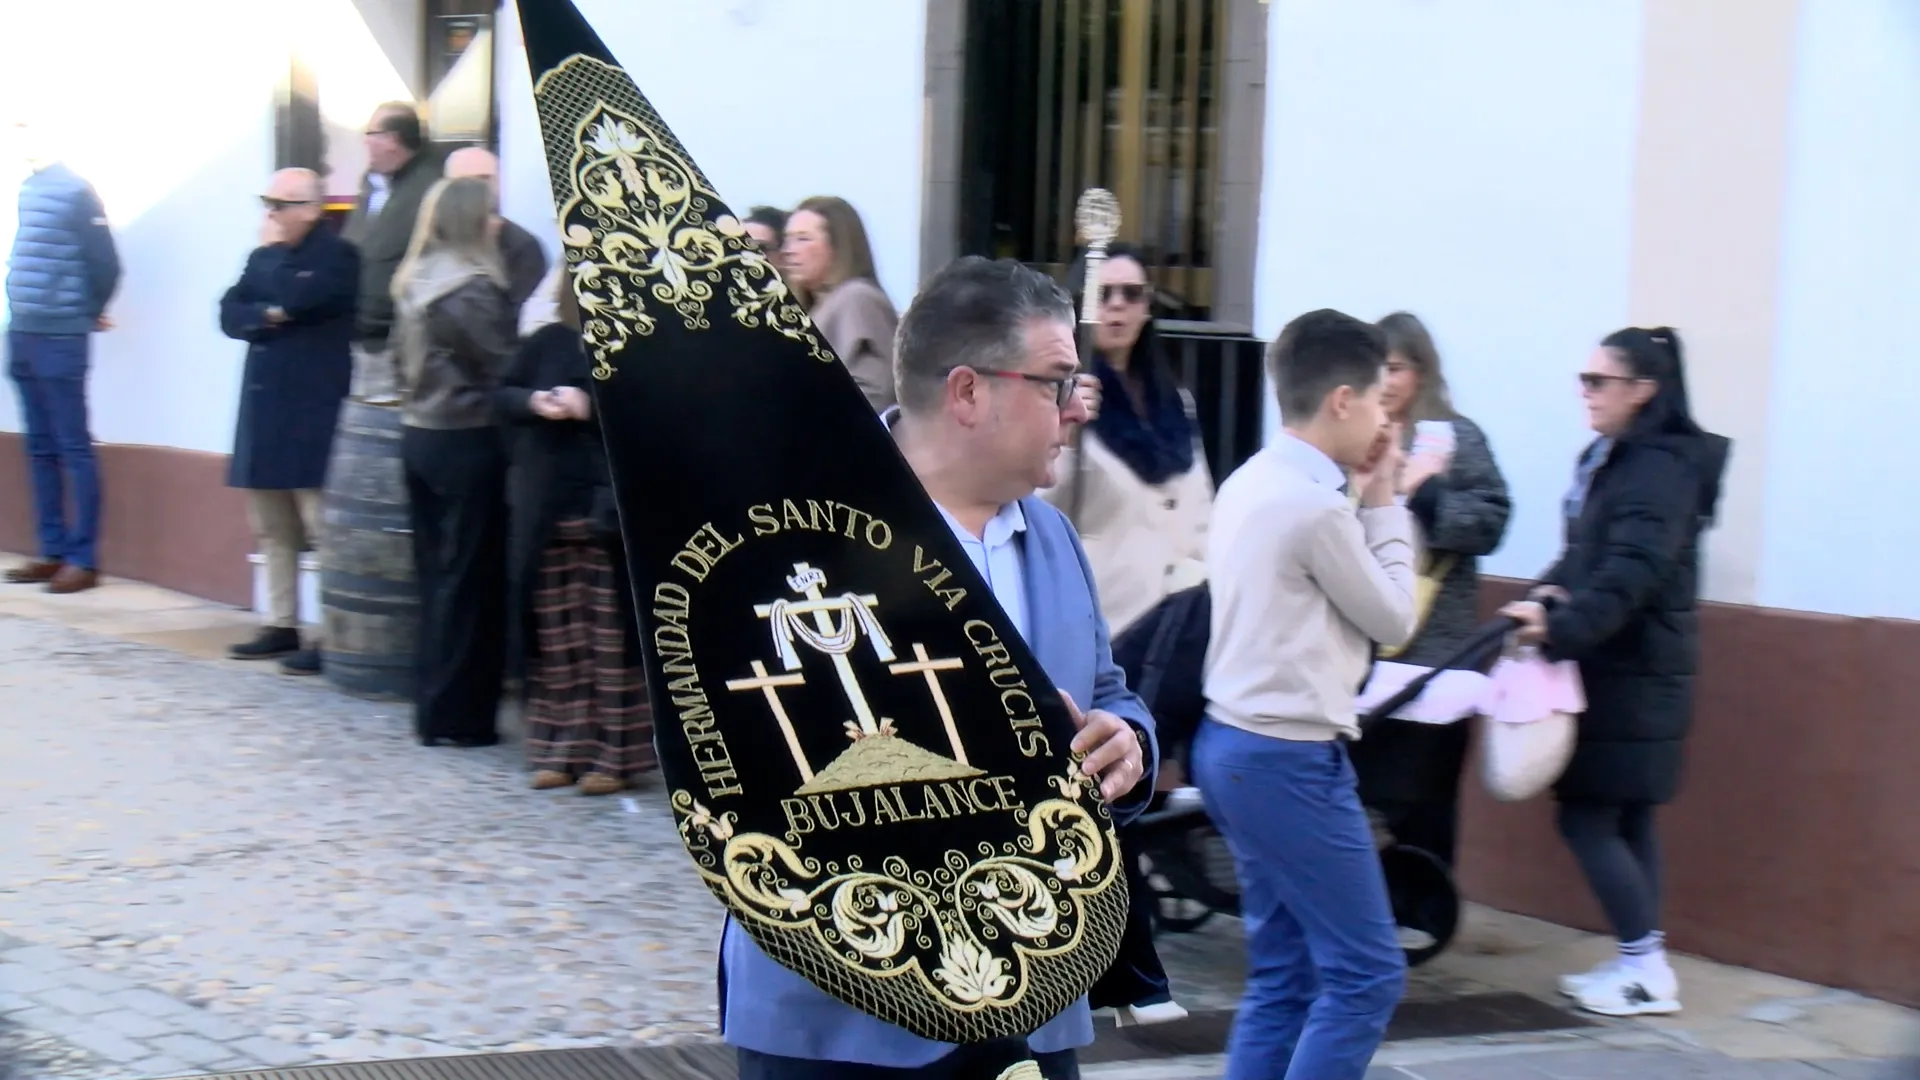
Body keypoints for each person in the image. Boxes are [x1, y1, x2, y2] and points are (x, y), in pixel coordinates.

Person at [721, 256, 1159, 1080]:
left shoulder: (1053, 536)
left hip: (1033, 989)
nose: (1076, 410)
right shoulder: (794, 538)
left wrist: (1127, 744)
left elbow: (1108, 693)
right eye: (1056, 382)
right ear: (968, 391)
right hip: (843, 1004)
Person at [1195, 309, 1415, 1080]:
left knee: (1285, 977)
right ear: (1344, 400)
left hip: (1235, 746)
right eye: (1384, 401)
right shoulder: (1317, 507)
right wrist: (1384, 496)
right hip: (1288, 756)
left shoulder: (1253, 480)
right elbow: (1393, 616)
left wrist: (1360, 487)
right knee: (1367, 974)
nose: (1390, 419)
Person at [1500, 327, 1729, 1019]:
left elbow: (1630, 572)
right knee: (1625, 819)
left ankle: (1646, 969)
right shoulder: (1620, 459)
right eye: (1585, 378)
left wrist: (1562, 625)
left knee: (1591, 820)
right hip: (1626, 667)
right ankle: (1639, 959)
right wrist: (1541, 595)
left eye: (1600, 381)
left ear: (1643, 390)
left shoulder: (1656, 469)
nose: (1586, 392)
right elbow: (1587, 556)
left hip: (1632, 673)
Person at [1043, 242, 1209, 1027]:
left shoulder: (1169, 397)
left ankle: (1135, 972)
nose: (1117, 305)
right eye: (1104, 292)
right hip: (1112, 616)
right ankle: (1131, 975)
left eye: (1133, 293)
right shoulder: (1075, 396)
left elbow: (1196, 498)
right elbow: (1057, 505)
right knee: (1111, 787)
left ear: (1148, 306)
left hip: (1180, 606)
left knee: (1136, 780)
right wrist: (1070, 427)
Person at [1346, 311, 1511, 870]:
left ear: (1421, 371)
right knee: (1363, 785)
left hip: (1435, 651)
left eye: (1395, 367)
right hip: (1362, 645)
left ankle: (1422, 902)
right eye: (1375, 368)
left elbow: (1491, 520)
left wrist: (1427, 493)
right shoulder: (1350, 434)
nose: (1386, 381)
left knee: (1424, 790)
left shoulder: (1457, 439)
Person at [281, 101, 439, 676]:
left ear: (396, 140)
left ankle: (385, 642)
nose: (365, 142)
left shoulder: (424, 189)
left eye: (371, 134)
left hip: (395, 351)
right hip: (364, 343)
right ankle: (342, 635)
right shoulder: (378, 189)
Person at [496, 272, 655, 794]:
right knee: (557, 642)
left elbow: (654, 420)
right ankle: (557, 749)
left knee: (610, 644)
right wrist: (535, 402)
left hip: (608, 519)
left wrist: (590, 410)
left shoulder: (641, 344)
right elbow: (502, 396)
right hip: (549, 514)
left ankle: (614, 756)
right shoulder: (547, 340)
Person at [391, 177, 517, 748]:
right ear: (471, 221)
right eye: (490, 213)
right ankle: (462, 717)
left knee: (437, 578)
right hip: (466, 436)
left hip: (420, 432)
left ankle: (432, 707)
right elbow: (499, 366)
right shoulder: (469, 288)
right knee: (471, 580)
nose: (497, 222)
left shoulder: (415, 279)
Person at [218, 168, 359, 660]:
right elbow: (230, 312)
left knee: (321, 530)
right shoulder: (265, 256)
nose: (271, 213)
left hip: (310, 410)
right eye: (268, 202)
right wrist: (267, 312)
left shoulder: (337, 255)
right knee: (273, 528)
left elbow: (303, 298)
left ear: (313, 209)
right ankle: (281, 623)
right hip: (265, 408)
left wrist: (274, 285)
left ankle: (333, 632)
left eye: (281, 203)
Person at [3, 121, 120, 595]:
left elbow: (106, 263)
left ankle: (83, 559)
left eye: (27, 127)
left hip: (61, 337)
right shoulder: (26, 188)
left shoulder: (76, 190)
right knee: (39, 447)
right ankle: (52, 552)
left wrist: (89, 312)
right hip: (23, 332)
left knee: (72, 447)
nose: (18, 137)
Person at [780, 195, 898, 413]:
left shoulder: (858, 298)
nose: (789, 249)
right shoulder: (818, 305)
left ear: (838, 246)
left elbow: (872, 394)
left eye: (803, 239)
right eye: (788, 239)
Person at [443, 146, 550, 311]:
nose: (476, 190)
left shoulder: (523, 247)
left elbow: (525, 319)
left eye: (485, 179)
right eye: (464, 182)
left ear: (499, 182)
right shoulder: (432, 238)